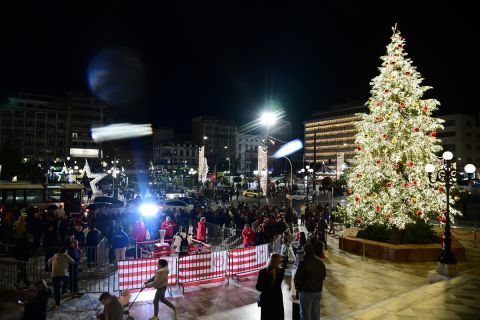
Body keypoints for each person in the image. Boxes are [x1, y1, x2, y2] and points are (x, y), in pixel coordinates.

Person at [294, 243, 326, 320]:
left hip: (306, 292)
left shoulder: (302, 263)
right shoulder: (320, 263)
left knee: (305, 314)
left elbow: (297, 278)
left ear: (304, 251)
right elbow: (323, 276)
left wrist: (298, 288)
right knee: (315, 314)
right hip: (317, 291)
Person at [255, 253, 285, 320]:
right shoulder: (281, 271)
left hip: (266, 299)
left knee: (266, 316)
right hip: (277, 298)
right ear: (278, 261)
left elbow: (258, 287)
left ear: (269, 260)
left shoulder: (262, 271)